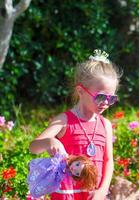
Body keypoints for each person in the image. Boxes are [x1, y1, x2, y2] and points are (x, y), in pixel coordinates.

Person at [29, 49, 121, 200]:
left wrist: (103, 190)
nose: (105, 103)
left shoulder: (105, 125)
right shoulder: (64, 121)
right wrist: (49, 141)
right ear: (81, 91)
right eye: (101, 97)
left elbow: (108, 160)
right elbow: (33, 147)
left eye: (111, 99)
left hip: (94, 194)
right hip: (67, 194)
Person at [27, 154, 98, 198]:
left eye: (77, 173)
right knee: (39, 172)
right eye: (77, 164)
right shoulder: (65, 158)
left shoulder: (68, 174)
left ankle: (34, 186)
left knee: (43, 184)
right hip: (48, 167)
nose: (74, 168)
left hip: (51, 179)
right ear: (78, 159)